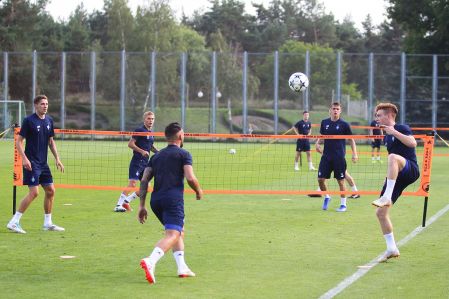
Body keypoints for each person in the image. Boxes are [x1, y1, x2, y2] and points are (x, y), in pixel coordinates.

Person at [138, 122, 203, 284]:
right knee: (172, 234)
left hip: (155, 201)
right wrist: (198, 190)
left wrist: (141, 206)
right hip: (172, 200)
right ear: (180, 136)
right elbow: (190, 177)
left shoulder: (156, 156)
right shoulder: (184, 154)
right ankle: (151, 260)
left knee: (178, 231)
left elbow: (144, 180)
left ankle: (182, 267)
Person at [6, 95, 65, 234]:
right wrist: (24, 159)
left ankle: (48, 223)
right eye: (42, 104)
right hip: (31, 163)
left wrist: (57, 158)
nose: (45, 106)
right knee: (34, 192)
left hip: (43, 163)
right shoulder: (29, 121)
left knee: (51, 191)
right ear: (36, 106)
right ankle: (14, 222)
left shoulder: (49, 121)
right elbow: (19, 141)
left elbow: (51, 142)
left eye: (46, 103)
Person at [371, 103, 420, 262]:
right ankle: (392, 248)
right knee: (380, 212)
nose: (376, 118)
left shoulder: (402, 127)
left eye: (379, 115)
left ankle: (386, 196)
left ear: (390, 114)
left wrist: (394, 132)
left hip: (410, 169)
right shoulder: (386, 135)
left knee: (392, 157)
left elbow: (413, 143)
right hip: (397, 174)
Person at [315, 102, 358, 212]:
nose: (335, 111)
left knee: (341, 182)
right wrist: (317, 143)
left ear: (340, 111)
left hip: (339, 158)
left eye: (337, 109)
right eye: (333, 108)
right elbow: (322, 136)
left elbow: (351, 140)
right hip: (326, 157)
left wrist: (355, 154)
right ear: (330, 110)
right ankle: (327, 197)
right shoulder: (324, 122)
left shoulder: (344, 124)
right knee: (320, 180)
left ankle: (343, 205)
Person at [114, 111, 158, 212]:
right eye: (149, 119)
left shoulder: (151, 133)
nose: (151, 121)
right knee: (132, 184)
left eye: (152, 119)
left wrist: (159, 152)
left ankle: (126, 201)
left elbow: (150, 146)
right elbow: (130, 144)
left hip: (145, 164)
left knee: (146, 187)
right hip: (137, 162)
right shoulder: (139, 130)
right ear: (144, 119)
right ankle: (118, 205)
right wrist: (142, 151)